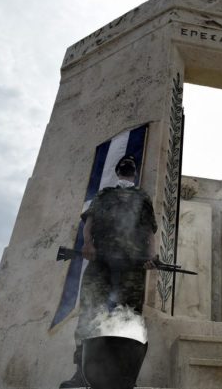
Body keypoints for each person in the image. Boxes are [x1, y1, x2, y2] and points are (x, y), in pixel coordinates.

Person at [60, 155, 158, 388]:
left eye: (131, 165)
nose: (127, 168)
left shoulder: (142, 196)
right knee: (90, 311)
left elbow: (149, 230)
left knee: (130, 317)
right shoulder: (104, 194)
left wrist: (151, 256)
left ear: (134, 172)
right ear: (118, 171)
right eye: (124, 165)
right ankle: (82, 372)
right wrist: (87, 244)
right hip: (101, 261)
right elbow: (89, 222)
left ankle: (126, 376)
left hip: (132, 265)